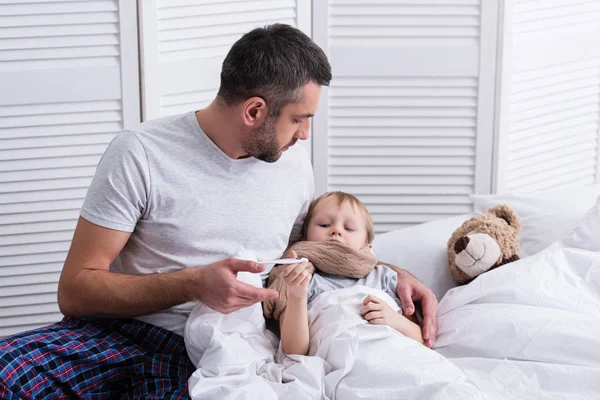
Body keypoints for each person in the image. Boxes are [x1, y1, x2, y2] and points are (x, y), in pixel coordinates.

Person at [0, 24, 437, 399]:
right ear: (254, 111)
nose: (305, 135)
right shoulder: (141, 154)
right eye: (299, 119)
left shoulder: (292, 164)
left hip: (216, 353)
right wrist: (193, 284)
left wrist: (392, 270)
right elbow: (75, 290)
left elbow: (307, 252)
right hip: (114, 332)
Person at [279, 192, 424, 356]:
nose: (336, 230)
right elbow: (294, 350)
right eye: (324, 224)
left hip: (392, 355)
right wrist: (297, 295)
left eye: (349, 228)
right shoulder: (301, 279)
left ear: (367, 246)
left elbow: (420, 339)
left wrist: (395, 320)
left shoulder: (384, 277)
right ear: (303, 238)